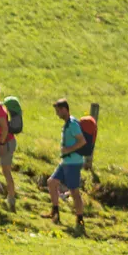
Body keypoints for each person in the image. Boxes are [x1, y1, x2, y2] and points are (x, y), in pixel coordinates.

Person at [45, 98, 86, 230]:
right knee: (51, 182)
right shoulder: (67, 123)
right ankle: (55, 211)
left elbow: (82, 141)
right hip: (66, 161)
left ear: (64, 110)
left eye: (58, 111)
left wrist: (68, 150)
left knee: (74, 191)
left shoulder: (73, 124)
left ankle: (80, 219)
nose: (57, 114)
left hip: (73, 162)